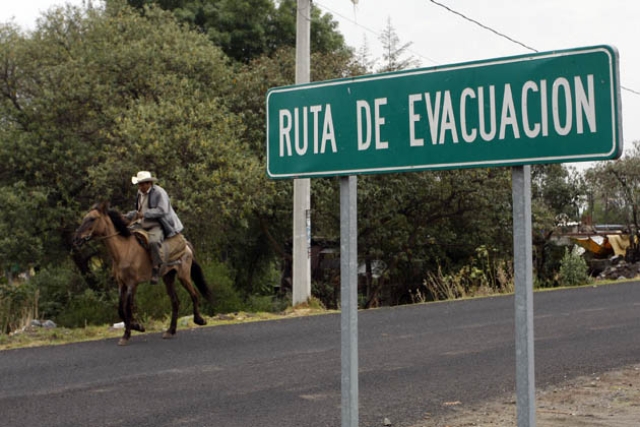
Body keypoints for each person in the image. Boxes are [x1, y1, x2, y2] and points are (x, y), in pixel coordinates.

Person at [126, 171, 184, 284]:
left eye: (142, 184)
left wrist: (145, 214)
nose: (140, 186)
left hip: (157, 224)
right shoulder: (139, 193)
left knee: (153, 242)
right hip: (143, 223)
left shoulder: (159, 192)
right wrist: (128, 215)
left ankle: (156, 267)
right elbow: (138, 210)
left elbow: (162, 210)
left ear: (149, 183)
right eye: (139, 184)